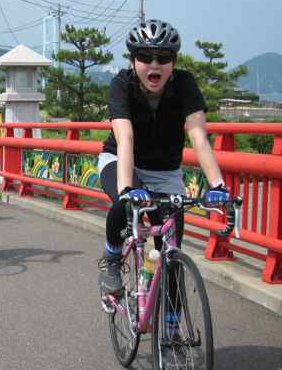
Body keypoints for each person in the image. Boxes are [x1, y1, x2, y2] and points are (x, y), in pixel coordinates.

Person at [97, 19, 230, 296]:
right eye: (145, 57)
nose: (154, 64)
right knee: (123, 205)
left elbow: (198, 136)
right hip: (122, 161)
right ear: (133, 61)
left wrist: (218, 185)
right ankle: (112, 259)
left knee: (171, 252)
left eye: (164, 57)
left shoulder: (184, 83)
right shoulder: (122, 84)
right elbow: (125, 137)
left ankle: (171, 322)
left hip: (165, 172)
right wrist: (127, 189)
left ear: (174, 61)